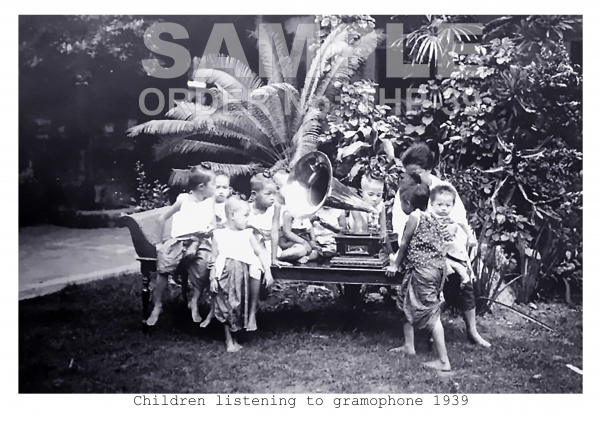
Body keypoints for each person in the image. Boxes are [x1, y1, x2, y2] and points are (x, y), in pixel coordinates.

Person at [391, 142, 490, 347]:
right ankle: (428, 326)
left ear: (429, 170)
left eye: (417, 173)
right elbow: (400, 225)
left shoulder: (444, 190)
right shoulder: (406, 191)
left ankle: (472, 330)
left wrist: (453, 228)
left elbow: (459, 218)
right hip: (421, 252)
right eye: (408, 173)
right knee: (427, 283)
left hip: (449, 250)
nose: (412, 178)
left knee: (464, 286)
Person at [385, 173, 451, 371]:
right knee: (406, 301)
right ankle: (408, 345)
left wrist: (395, 264)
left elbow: (404, 244)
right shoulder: (431, 216)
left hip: (423, 271)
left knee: (431, 315)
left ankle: (443, 361)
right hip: (434, 269)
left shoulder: (414, 216)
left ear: (406, 201)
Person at [147, 166, 216, 326]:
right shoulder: (183, 200)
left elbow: (212, 224)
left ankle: (194, 301)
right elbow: (161, 218)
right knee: (164, 267)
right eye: (213, 184)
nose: (215, 188)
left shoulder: (209, 203)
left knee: (205, 265)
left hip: (199, 241)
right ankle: (157, 305)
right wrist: (159, 243)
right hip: (179, 241)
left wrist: (207, 233)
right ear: (201, 187)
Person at [210, 196, 274, 351]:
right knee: (227, 305)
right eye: (245, 215)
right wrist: (213, 277)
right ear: (232, 215)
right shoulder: (219, 234)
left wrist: (268, 271)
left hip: (241, 277)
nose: (248, 219)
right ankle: (228, 341)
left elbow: (260, 252)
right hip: (225, 275)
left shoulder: (248, 233)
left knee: (237, 306)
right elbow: (213, 258)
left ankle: (236, 339)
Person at [429, 184, 475, 286]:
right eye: (440, 205)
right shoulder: (430, 217)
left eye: (447, 205)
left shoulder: (451, 218)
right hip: (438, 248)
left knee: (459, 264)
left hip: (451, 248)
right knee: (441, 258)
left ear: (453, 206)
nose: (444, 208)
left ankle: (464, 277)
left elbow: (463, 224)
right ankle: (449, 271)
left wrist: (470, 237)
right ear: (431, 204)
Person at [348, 172, 393, 253]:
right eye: (370, 194)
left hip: (374, 242)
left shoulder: (380, 206)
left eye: (379, 195)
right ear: (361, 193)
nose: (375, 199)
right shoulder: (355, 207)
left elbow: (383, 231)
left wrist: (391, 252)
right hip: (357, 243)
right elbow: (360, 227)